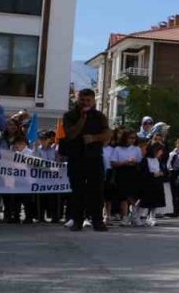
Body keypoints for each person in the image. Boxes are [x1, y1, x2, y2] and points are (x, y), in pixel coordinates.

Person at [58, 88, 111, 232]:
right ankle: (77, 221)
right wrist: (82, 118)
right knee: (77, 192)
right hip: (76, 157)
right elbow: (71, 134)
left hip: (94, 157)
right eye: (82, 100)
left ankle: (97, 221)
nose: (85, 103)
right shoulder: (69, 115)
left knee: (97, 191)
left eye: (88, 100)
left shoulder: (99, 116)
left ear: (93, 101)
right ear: (78, 99)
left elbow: (107, 133)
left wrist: (94, 138)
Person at [110, 130, 143, 225]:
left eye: (134, 138)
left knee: (134, 196)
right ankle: (124, 217)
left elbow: (140, 161)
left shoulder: (136, 149)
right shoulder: (118, 149)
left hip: (134, 173)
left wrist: (134, 162)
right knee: (123, 196)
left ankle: (135, 216)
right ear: (125, 138)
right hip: (122, 173)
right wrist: (125, 162)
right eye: (130, 138)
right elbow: (113, 162)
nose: (132, 140)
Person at [135, 136, 166, 227]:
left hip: (157, 184)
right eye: (160, 150)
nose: (161, 152)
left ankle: (152, 217)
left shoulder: (158, 160)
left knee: (155, 202)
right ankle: (137, 217)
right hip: (148, 184)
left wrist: (162, 173)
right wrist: (153, 175)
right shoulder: (145, 160)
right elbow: (143, 172)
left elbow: (163, 170)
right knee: (144, 202)